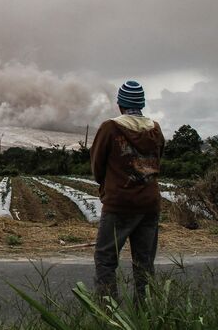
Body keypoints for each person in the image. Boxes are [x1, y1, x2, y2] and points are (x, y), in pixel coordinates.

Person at [91, 80, 165, 302]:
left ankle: (108, 314)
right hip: (149, 204)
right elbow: (157, 160)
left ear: (120, 104)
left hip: (119, 204)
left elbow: (97, 165)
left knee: (105, 260)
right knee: (144, 263)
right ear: (141, 104)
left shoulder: (110, 128)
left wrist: (107, 187)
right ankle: (144, 315)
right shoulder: (156, 129)